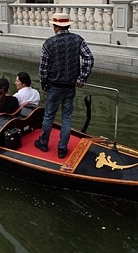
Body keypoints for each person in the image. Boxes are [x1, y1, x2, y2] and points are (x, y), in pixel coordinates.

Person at [35, 12, 94, 159]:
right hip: (69, 87)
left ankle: (43, 143)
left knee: (49, 116)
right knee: (67, 118)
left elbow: (42, 68)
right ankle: (62, 148)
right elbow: (89, 58)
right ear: (67, 24)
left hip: (54, 86)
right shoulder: (78, 40)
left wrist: (44, 83)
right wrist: (81, 79)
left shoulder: (49, 43)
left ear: (56, 26)